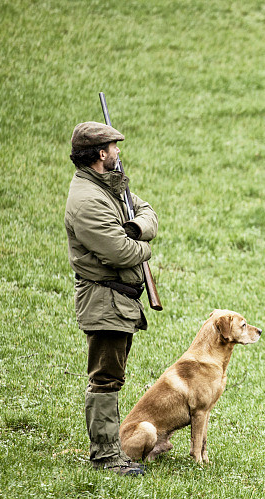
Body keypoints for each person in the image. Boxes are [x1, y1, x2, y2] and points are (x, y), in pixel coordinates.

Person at [64, 121, 158, 476]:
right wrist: (143, 246)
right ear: (101, 154)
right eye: (114, 147)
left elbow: (147, 212)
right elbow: (119, 253)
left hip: (118, 300)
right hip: (104, 300)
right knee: (105, 379)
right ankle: (106, 457)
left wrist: (135, 228)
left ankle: (111, 450)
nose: (119, 152)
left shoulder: (110, 188)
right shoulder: (87, 201)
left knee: (111, 376)